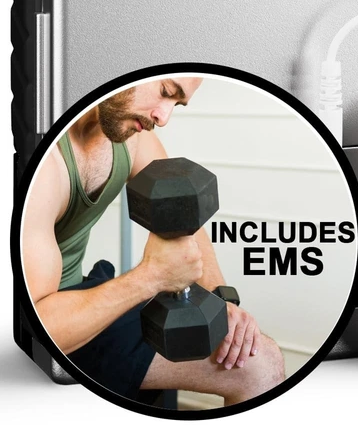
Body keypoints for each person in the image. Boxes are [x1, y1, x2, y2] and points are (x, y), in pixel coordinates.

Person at [22, 77, 286, 407]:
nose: (163, 117)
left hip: (80, 296)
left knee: (258, 356)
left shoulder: (131, 135)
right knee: (259, 369)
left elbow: (184, 214)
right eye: (164, 93)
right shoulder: (45, 167)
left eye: (177, 104)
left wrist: (221, 301)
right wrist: (150, 277)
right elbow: (38, 326)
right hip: (48, 324)